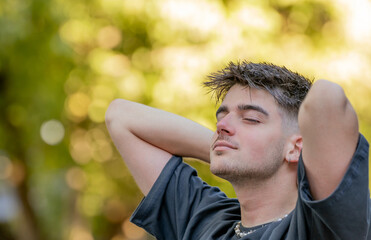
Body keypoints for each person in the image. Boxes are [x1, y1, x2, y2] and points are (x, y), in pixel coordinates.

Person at [105, 61, 370, 239]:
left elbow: (327, 97)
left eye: (251, 119)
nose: (223, 126)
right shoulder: (207, 221)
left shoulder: (320, 227)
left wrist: (237, 149)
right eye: (222, 116)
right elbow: (120, 115)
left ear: (297, 148)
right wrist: (225, 148)